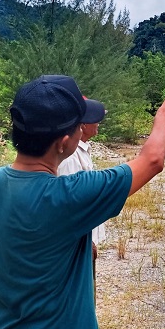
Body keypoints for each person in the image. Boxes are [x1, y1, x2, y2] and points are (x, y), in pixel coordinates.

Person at [0, 75, 165, 329]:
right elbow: (152, 161)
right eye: (78, 127)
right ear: (63, 142)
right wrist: (163, 116)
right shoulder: (69, 196)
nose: (83, 130)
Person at [57, 96, 107, 302]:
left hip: (85, 239)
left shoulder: (81, 150)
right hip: (79, 242)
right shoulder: (70, 157)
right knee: (82, 296)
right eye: (94, 119)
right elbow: (71, 204)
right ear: (82, 126)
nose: (98, 123)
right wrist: (87, 242)